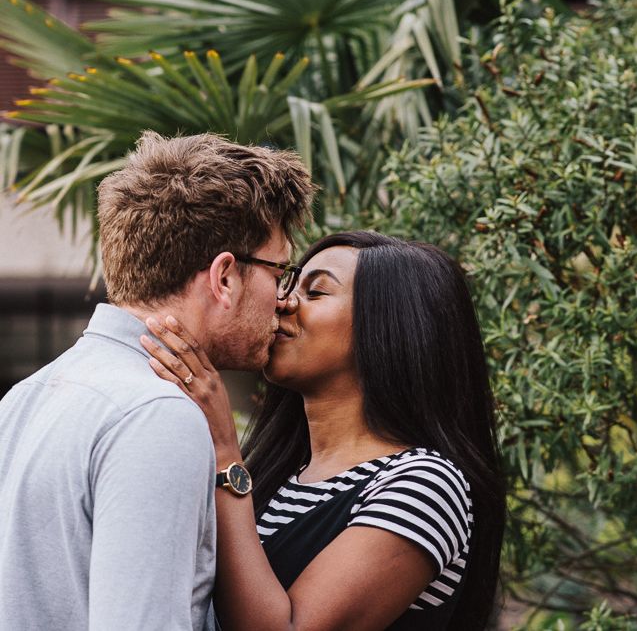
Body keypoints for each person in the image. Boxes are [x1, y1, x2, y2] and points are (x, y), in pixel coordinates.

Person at [0, 131, 316, 630]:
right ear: (225, 278)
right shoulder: (157, 415)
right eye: (280, 271)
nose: (283, 298)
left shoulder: (25, 398)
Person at [143, 230, 506, 630]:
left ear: (387, 327)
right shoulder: (275, 473)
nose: (282, 302)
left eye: (315, 292)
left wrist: (226, 455)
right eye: (288, 284)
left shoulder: (426, 485)